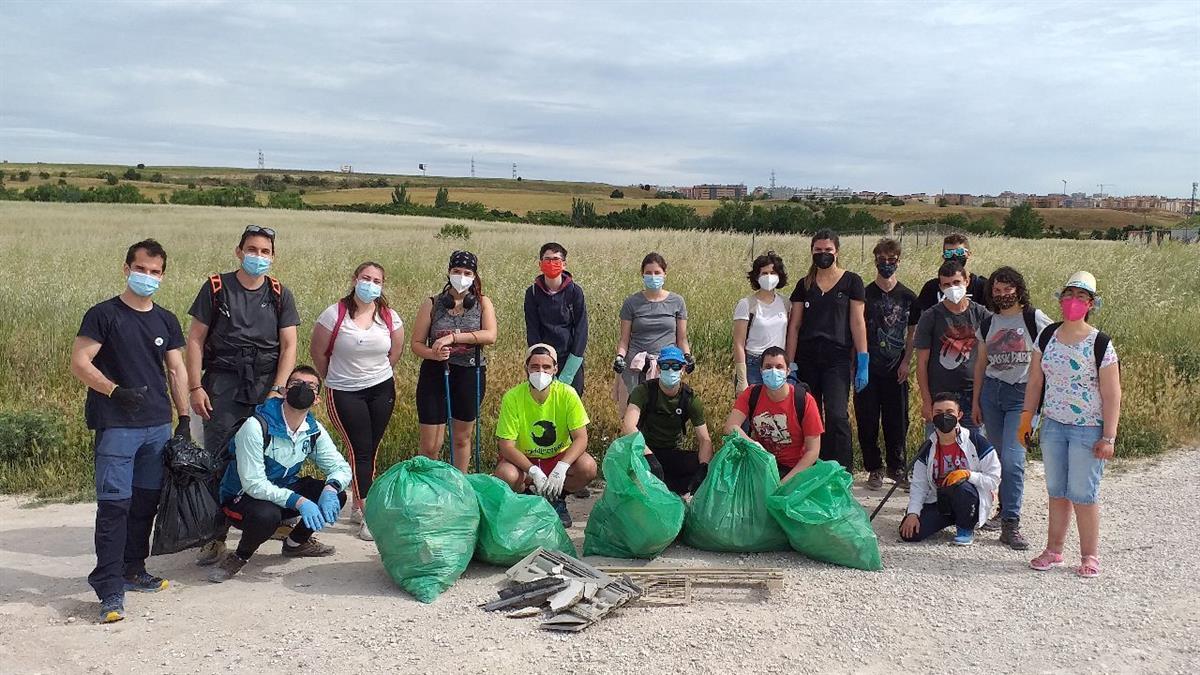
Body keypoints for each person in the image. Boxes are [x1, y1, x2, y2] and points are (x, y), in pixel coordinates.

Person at [70, 239, 191, 623]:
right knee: (114, 508)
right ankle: (108, 589)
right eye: (141, 269)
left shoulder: (166, 319)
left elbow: (176, 369)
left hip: (157, 425)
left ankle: (133, 569)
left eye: (155, 273)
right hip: (117, 425)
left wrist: (184, 418)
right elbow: (79, 362)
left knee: (144, 505)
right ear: (126, 269)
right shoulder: (103, 315)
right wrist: (114, 391)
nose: (148, 278)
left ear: (163, 275)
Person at [188, 225, 300, 565]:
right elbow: (195, 339)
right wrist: (195, 386)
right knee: (218, 459)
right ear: (239, 251)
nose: (258, 257)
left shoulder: (280, 293)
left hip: (267, 385)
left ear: (273, 256)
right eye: (252, 249)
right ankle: (214, 535)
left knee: (273, 456)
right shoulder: (216, 288)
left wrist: (279, 390)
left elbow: (290, 344)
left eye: (265, 252)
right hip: (223, 384)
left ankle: (276, 525)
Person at [207, 366, 351, 583]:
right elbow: (253, 484)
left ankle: (295, 544)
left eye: (310, 386)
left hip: (282, 489)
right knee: (267, 515)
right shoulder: (255, 426)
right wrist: (299, 501)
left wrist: (331, 488)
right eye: (295, 384)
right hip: (240, 497)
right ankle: (239, 556)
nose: (302, 389)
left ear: (317, 400)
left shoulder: (313, 430)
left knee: (338, 495)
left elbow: (341, 467)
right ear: (283, 392)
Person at [1023, 271, 1120, 578]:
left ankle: (1090, 555)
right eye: (1069, 295)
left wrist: (1109, 437)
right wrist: (1027, 418)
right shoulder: (1047, 336)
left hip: (1086, 428)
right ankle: (1054, 550)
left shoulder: (1100, 343)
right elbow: (1035, 381)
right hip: (1053, 425)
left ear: (1091, 304)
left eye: (1081, 297)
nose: (1073, 302)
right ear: (1061, 299)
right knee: (1057, 491)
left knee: (1083, 493)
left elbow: (1111, 393)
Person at [310, 261, 404, 541]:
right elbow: (318, 352)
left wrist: (378, 375)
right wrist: (334, 379)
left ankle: (358, 504)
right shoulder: (334, 314)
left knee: (372, 449)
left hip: (381, 389)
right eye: (366, 278)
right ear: (354, 279)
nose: (370, 284)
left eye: (377, 280)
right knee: (359, 450)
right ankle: (367, 511)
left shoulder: (389, 316)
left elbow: (395, 352)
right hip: (344, 391)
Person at [970, 266, 1051, 549]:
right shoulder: (987, 324)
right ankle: (1003, 510)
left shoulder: (1034, 318)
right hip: (993, 394)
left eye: (1008, 289)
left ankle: (1011, 523)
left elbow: (1052, 349)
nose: (1003, 295)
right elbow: (980, 365)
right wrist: (976, 401)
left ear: (1018, 289)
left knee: (1014, 461)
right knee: (998, 458)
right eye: (997, 291)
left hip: (1022, 396)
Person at [784, 230, 868, 472]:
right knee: (810, 417)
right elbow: (795, 326)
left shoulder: (852, 281)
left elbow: (857, 322)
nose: (823, 255)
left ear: (837, 252)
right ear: (812, 252)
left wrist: (863, 358)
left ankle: (840, 471)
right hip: (807, 358)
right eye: (818, 251)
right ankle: (811, 468)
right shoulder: (804, 284)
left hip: (837, 358)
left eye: (828, 251)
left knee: (837, 414)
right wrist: (790, 363)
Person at [409, 250, 497, 473]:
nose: (461, 276)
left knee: (461, 439)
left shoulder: (482, 302)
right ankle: (429, 487)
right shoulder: (432, 303)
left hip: (470, 372)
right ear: (449, 272)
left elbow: (490, 335)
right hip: (435, 372)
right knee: (431, 444)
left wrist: (454, 337)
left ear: (474, 276)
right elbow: (417, 344)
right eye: (457, 271)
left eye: (467, 272)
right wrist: (433, 354)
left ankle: (459, 486)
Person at [494, 344, 597, 527]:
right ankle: (527, 499)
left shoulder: (567, 394)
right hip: (525, 460)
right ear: (526, 368)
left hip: (557, 456)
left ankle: (557, 498)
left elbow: (581, 437)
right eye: (535, 367)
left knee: (587, 467)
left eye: (546, 367)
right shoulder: (512, 397)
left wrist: (562, 467)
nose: (540, 372)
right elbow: (506, 445)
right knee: (506, 474)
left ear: (555, 369)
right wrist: (532, 471)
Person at [855, 237, 920, 490]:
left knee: (898, 419)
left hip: (896, 368)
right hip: (868, 367)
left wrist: (906, 362)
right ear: (875, 261)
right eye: (881, 260)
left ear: (898, 261)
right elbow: (855, 328)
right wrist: (857, 364)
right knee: (867, 419)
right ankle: (874, 468)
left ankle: (898, 467)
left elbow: (913, 333)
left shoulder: (908, 297)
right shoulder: (864, 294)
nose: (886, 264)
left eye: (891, 260)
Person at [900, 392, 1001, 546]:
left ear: (959, 415)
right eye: (938, 413)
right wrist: (913, 513)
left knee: (961, 486)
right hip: (940, 500)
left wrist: (968, 475)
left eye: (949, 412)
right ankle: (947, 519)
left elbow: (994, 479)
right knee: (909, 534)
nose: (944, 417)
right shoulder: (927, 448)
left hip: (968, 498)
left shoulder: (976, 442)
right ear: (932, 415)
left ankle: (965, 527)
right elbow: (919, 485)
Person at [620, 345, 714, 495]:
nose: (671, 370)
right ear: (658, 369)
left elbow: (705, 439)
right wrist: (648, 455)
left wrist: (704, 466)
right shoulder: (644, 391)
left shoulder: (689, 399)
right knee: (631, 470)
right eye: (665, 365)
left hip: (671, 453)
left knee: (705, 467)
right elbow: (628, 426)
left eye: (675, 366)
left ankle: (672, 491)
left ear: (683, 369)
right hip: (644, 452)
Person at [722, 347, 824, 485]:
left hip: (794, 468)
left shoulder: (804, 400)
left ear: (788, 371)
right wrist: (754, 445)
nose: (773, 371)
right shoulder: (752, 394)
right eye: (768, 367)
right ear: (761, 371)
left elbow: (813, 451)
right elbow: (730, 427)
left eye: (779, 367)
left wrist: (784, 483)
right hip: (761, 463)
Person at [914, 260, 990, 436]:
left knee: (974, 450)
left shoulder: (981, 315)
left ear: (967, 281)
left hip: (973, 395)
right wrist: (926, 401)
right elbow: (921, 364)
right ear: (940, 287)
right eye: (946, 284)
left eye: (956, 282)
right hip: (940, 397)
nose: (952, 288)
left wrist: (980, 400)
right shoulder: (930, 317)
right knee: (938, 450)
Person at [613, 252, 691, 414]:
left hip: (666, 364)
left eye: (657, 273)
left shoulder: (677, 302)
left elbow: (682, 339)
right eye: (648, 273)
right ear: (642, 275)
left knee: (663, 410)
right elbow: (624, 340)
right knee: (634, 410)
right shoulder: (631, 302)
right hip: (636, 364)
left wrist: (688, 357)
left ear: (664, 274)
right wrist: (619, 357)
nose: (653, 276)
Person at [524, 242, 588, 394]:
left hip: (570, 358)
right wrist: (540, 361)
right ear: (540, 264)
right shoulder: (532, 293)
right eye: (547, 260)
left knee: (571, 406)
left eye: (556, 260)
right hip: (542, 359)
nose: (551, 263)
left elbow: (581, 331)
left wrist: (569, 372)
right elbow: (532, 330)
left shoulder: (575, 292)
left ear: (564, 264)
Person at [732, 250, 790, 393]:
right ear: (757, 277)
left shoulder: (786, 303)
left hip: (778, 364)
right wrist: (742, 378)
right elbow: (739, 343)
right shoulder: (746, 304)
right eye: (764, 273)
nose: (769, 277)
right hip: (754, 363)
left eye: (773, 273)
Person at [914, 232, 987, 314]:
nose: (954, 256)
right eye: (949, 253)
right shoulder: (931, 287)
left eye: (959, 252)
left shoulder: (981, 286)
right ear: (944, 256)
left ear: (968, 254)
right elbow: (918, 318)